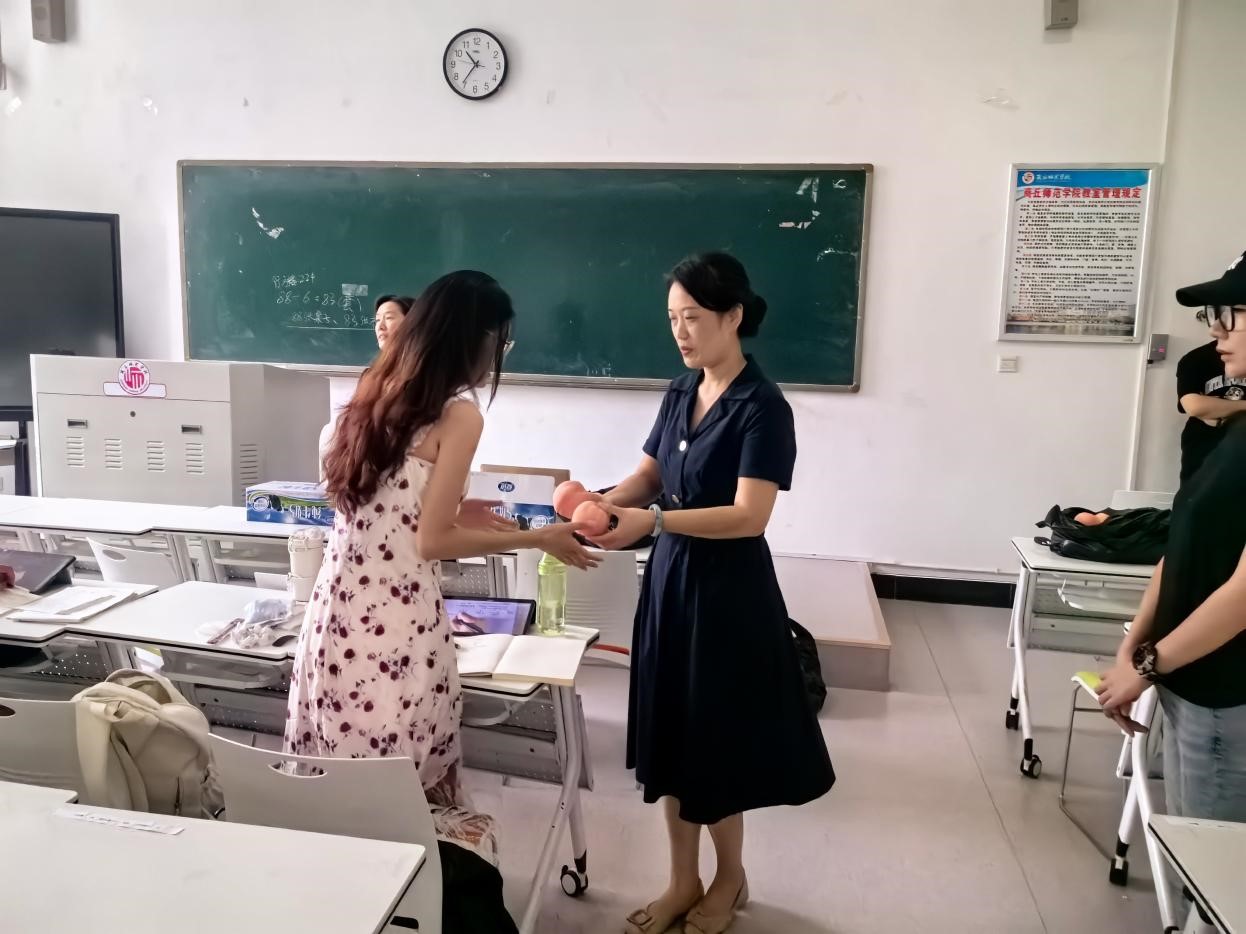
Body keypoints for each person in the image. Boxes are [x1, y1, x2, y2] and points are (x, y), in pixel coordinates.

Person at [285, 270, 597, 854]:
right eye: (500, 343)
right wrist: (539, 538)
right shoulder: (458, 415)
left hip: (334, 619)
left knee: (342, 780)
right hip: (394, 628)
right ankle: (416, 883)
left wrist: (458, 508)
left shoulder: (375, 390)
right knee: (402, 787)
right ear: (474, 340)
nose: (498, 356)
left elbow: (381, 504)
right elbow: (431, 543)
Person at [592, 253, 834, 934]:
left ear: (733, 317)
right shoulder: (680, 391)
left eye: (693, 317)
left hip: (729, 592)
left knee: (716, 742)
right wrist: (601, 505)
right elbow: (647, 478)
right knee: (672, 735)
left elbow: (750, 515)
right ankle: (682, 881)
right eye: (673, 318)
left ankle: (729, 878)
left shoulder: (763, 407)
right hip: (671, 581)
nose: (680, 331)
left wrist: (654, 523)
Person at [1098, 250, 1246, 835]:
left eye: (1232, 313)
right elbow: (1184, 541)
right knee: (1191, 849)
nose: (1217, 330)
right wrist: (1136, 645)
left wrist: (1148, 664)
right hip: (1188, 680)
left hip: (1229, 694)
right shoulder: (1235, 432)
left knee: (1216, 868)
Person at [1174, 335, 1246, 486]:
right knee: (1198, 495)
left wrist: (1217, 408)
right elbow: (1194, 406)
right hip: (1206, 443)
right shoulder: (1196, 358)